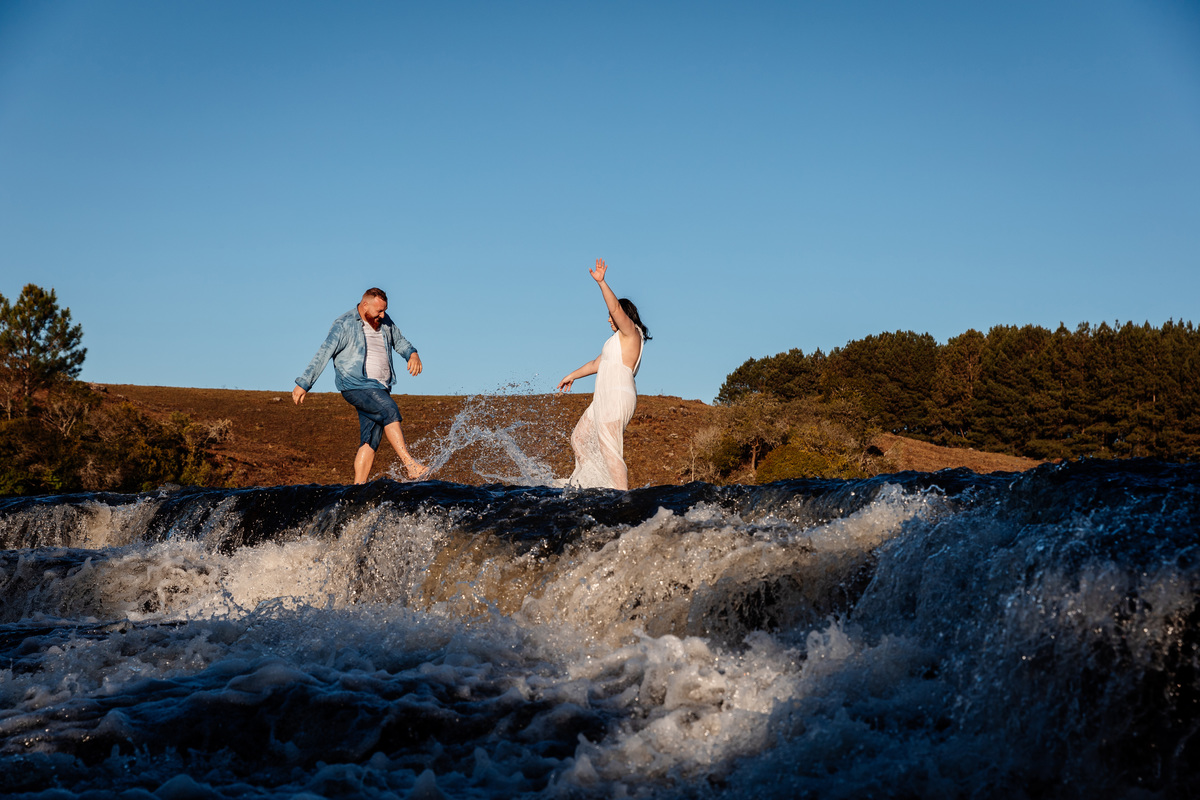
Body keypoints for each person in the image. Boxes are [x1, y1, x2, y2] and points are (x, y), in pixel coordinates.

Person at [293, 288, 428, 483]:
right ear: (365, 305)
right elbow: (324, 352)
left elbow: (400, 342)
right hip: (355, 384)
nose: (383, 315)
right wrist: (304, 383)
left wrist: (412, 354)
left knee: (371, 439)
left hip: (381, 387)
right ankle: (411, 466)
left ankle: (358, 487)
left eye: (384, 310)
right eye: (379, 311)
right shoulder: (344, 324)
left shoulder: (385, 321)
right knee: (389, 409)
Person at [556, 258, 651, 490]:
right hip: (602, 398)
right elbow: (595, 363)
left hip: (617, 396)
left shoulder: (631, 334)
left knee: (610, 450)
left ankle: (621, 494)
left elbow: (615, 308)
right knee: (578, 438)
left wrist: (602, 283)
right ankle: (591, 482)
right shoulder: (613, 342)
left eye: (612, 316)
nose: (609, 319)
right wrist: (572, 375)